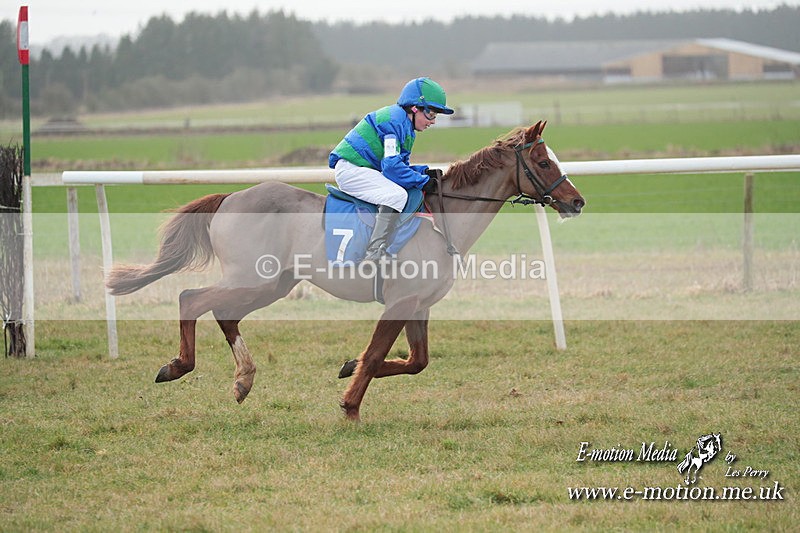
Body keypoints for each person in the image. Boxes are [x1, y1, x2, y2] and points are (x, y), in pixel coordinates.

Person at [328, 77, 454, 261]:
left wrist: (422, 172)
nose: (433, 121)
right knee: (397, 195)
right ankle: (374, 252)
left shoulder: (405, 126)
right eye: (431, 115)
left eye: (435, 116)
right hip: (352, 170)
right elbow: (392, 168)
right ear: (414, 108)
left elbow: (398, 164)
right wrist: (423, 181)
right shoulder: (394, 121)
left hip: (364, 170)